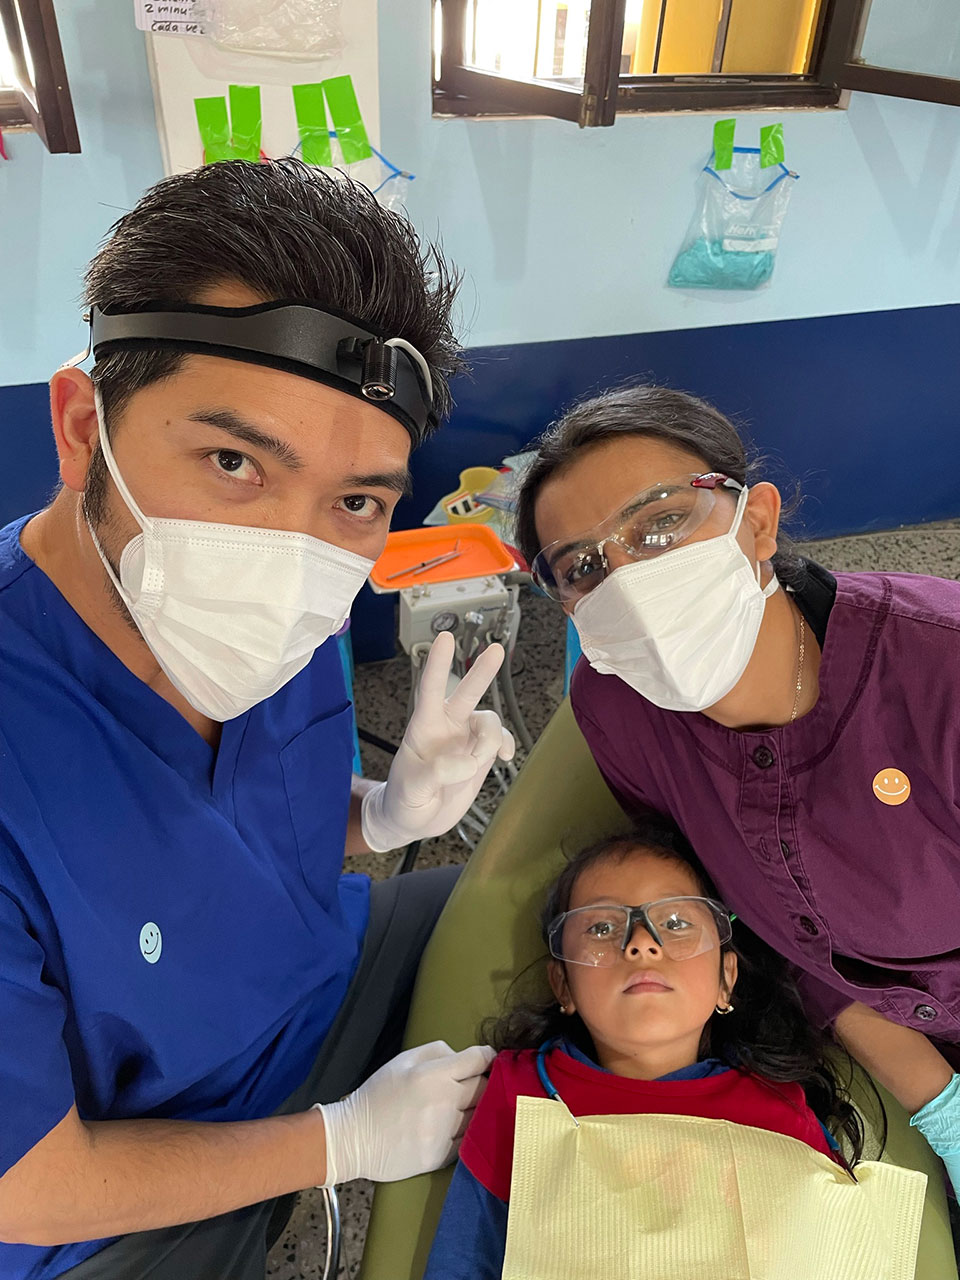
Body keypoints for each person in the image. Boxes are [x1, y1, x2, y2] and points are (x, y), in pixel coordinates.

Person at [0, 159, 514, 1280]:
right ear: (84, 427)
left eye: (358, 500)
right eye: (234, 460)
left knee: (561, 903)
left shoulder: (276, 599)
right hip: (119, 1189)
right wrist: (336, 1143)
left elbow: (219, 827)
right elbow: (28, 1187)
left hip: (309, 977)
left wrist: (380, 813)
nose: (295, 548)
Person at [513, 382, 960, 1209]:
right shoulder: (620, 711)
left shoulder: (940, 670)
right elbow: (784, 933)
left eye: (659, 525)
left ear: (755, 522)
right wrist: (944, 1108)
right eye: (583, 566)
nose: (629, 579)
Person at [424, 818, 888, 1279]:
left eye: (675, 922)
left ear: (726, 979)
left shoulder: (779, 1113)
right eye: (602, 928)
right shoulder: (521, 1095)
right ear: (563, 985)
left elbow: (839, 1258)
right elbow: (465, 1260)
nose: (641, 944)